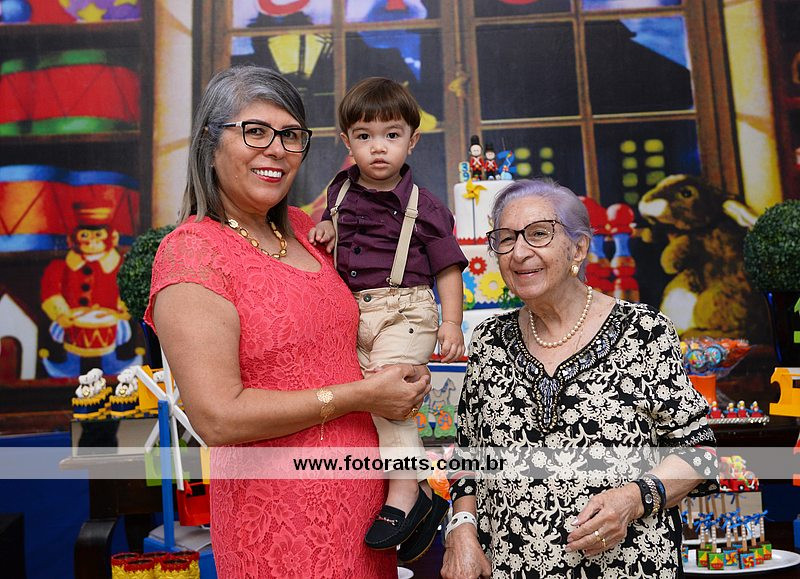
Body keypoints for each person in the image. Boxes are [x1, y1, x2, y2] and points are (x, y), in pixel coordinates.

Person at [145, 65, 431, 578]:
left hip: (366, 515)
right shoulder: (193, 252)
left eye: (291, 135)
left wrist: (403, 361)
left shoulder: (306, 229)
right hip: (278, 520)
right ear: (209, 140)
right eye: (255, 131)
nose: (276, 150)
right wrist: (363, 395)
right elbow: (218, 418)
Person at [441, 178, 718, 578]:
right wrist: (462, 528)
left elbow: (698, 452)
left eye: (539, 234)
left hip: (627, 568)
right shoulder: (489, 341)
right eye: (505, 239)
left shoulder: (643, 332)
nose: (519, 252)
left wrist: (633, 500)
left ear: (579, 247)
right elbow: (469, 454)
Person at [308, 76, 467, 560]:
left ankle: (405, 491)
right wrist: (326, 226)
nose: (378, 147)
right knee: (358, 404)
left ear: (411, 140)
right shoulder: (339, 191)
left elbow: (448, 268)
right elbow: (336, 228)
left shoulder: (427, 208)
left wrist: (452, 323)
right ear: (347, 142)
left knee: (387, 394)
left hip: (407, 310)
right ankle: (419, 503)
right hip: (355, 314)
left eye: (391, 135)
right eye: (365, 136)